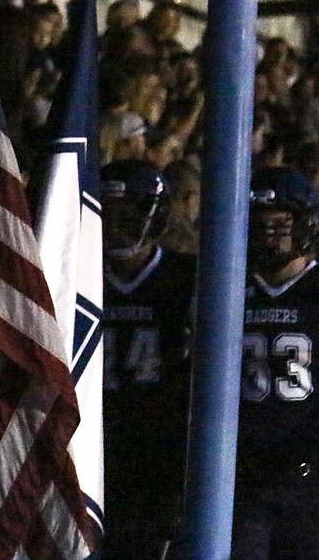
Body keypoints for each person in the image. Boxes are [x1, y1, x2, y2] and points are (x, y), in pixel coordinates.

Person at [99, 159, 195, 560]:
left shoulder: (187, 277)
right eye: (111, 214)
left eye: (129, 215)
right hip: (97, 435)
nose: (118, 225)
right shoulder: (77, 273)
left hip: (159, 445)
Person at [233, 167, 319, 559]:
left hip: (313, 478)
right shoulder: (227, 286)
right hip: (244, 474)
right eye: (259, 225)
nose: (269, 235)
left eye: (281, 224)